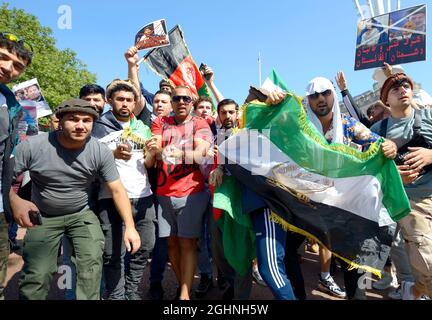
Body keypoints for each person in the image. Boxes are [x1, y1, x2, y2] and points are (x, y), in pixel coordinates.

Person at [265, 77, 397, 300]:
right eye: (314, 95)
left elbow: (376, 143)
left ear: (333, 94)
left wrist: (389, 145)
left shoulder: (348, 125)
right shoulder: (298, 128)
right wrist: (270, 102)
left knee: (353, 265)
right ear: (308, 100)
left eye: (325, 92)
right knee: (287, 252)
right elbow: (268, 129)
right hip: (308, 205)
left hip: (343, 208)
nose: (320, 99)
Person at [10, 98, 141, 300]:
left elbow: (117, 190)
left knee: (91, 266)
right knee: (38, 273)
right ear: (60, 121)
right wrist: (15, 200)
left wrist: (130, 227)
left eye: (87, 121)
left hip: (81, 214)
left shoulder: (99, 151)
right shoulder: (33, 146)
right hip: (44, 216)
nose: (81, 126)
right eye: (73, 119)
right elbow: (4, 179)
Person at [92, 78, 158, 300]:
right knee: (113, 253)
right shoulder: (98, 127)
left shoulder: (143, 128)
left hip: (143, 195)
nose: (125, 104)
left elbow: (148, 164)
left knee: (145, 246)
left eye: (130, 100)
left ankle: (131, 290)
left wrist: (153, 153)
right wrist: (112, 154)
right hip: (110, 197)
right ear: (110, 101)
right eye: (120, 99)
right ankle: (117, 295)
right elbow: (88, 160)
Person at [371, 73, 432, 300]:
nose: (402, 89)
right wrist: (391, 173)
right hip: (399, 200)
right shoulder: (377, 129)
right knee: (382, 249)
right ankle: (409, 285)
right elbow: (365, 166)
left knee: (424, 262)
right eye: (394, 88)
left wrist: (430, 155)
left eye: (405, 85)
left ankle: (415, 290)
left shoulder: (429, 116)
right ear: (386, 100)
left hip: (426, 197)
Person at [151, 86, 212, 300]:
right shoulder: (161, 122)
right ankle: (182, 283)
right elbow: (154, 150)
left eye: (186, 98)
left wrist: (180, 153)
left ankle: (184, 294)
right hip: (163, 192)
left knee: (187, 243)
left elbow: (200, 155)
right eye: (176, 98)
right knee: (171, 243)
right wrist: (161, 152)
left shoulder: (199, 123)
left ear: (192, 101)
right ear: (171, 101)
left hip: (191, 192)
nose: (181, 102)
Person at [0, 31, 32, 300]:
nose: (8, 68)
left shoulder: (11, 104)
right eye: (2, 57)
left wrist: (11, 198)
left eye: (17, 66)